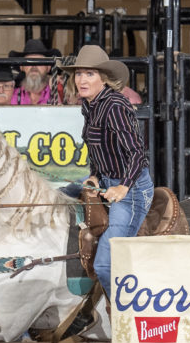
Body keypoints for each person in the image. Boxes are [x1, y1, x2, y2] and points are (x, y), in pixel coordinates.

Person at [59, 45, 153, 296]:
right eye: (79, 74)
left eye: (89, 74)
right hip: (105, 180)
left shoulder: (115, 106)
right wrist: (94, 175)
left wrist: (123, 187)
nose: (81, 79)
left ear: (103, 78)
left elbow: (137, 153)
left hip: (131, 190)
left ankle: (124, 311)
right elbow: (98, 149)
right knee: (61, 195)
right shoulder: (89, 105)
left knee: (104, 265)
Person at [8, 39, 62, 105]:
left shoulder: (59, 93)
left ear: (48, 67)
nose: (34, 66)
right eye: (29, 62)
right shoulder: (10, 96)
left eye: (39, 61)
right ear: (21, 67)